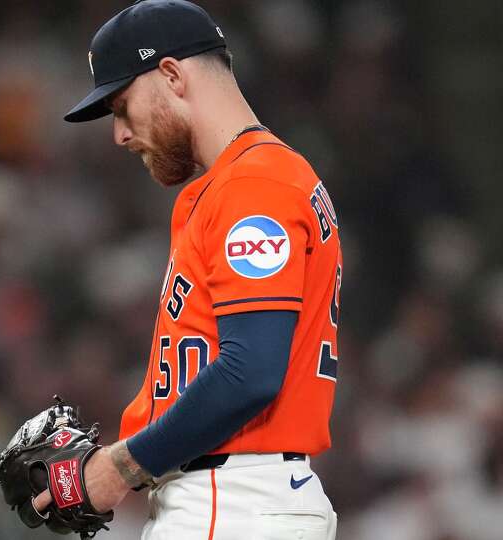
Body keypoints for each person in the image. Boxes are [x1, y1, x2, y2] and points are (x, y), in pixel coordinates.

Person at [32, 1, 342, 538]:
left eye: (123, 105)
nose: (120, 134)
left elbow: (251, 372)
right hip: (232, 498)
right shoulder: (239, 183)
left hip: (235, 500)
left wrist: (120, 468)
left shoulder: (256, 186)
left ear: (172, 74)